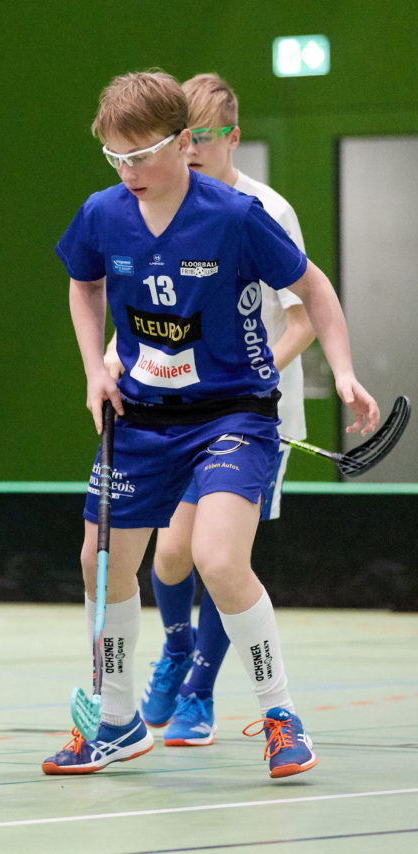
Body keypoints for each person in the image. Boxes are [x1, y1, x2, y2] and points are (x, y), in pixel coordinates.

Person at [44, 70, 378, 779]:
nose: (129, 171)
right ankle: (117, 723)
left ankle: (281, 717)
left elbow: (313, 288)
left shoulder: (236, 215)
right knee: (101, 561)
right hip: (140, 417)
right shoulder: (103, 213)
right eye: (115, 157)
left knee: (219, 560)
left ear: (182, 141)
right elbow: (84, 283)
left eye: (141, 155)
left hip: (232, 414)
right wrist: (95, 369)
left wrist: (344, 371)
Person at [100, 74, 317, 748]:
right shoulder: (152, 204)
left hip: (246, 415)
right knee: (170, 557)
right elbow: (143, 306)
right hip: (173, 417)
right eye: (183, 138)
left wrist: (235, 383)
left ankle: (200, 692)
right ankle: (177, 649)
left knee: (219, 559)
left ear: (232, 137)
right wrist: (112, 360)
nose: (192, 150)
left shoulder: (262, 211)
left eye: (205, 137)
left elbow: (304, 318)